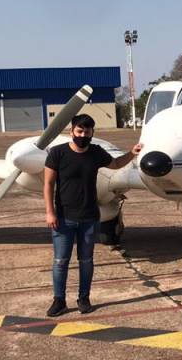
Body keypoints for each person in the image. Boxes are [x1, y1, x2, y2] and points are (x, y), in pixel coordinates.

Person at [44, 114, 141, 316]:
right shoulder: (57, 153)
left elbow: (116, 164)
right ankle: (59, 300)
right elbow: (48, 184)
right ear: (71, 131)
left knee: (86, 260)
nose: (82, 135)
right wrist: (50, 212)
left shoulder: (96, 152)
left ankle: (84, 298)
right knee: (60, 261)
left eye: (86, 132)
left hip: (89, 218)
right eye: (79, 131)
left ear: (92, 133)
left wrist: (132, 153)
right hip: (63, 218)